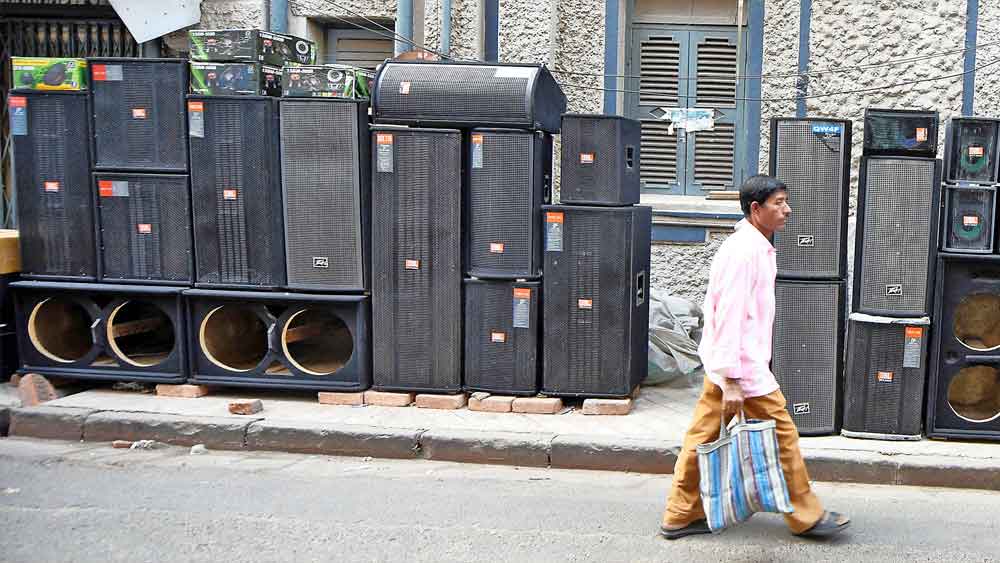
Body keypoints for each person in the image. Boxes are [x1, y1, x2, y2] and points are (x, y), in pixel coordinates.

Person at [659, 174, 850, 540]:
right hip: (741, 373)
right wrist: (731, 379)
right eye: (779, 202)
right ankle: (805, 515)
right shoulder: (744, 252)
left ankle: (680, 513)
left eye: (786, 201)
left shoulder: (753, 247)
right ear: (755, 209)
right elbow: (729, 316)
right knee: (783, 437)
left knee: (703, 438)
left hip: (731, 367)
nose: (787, 210)